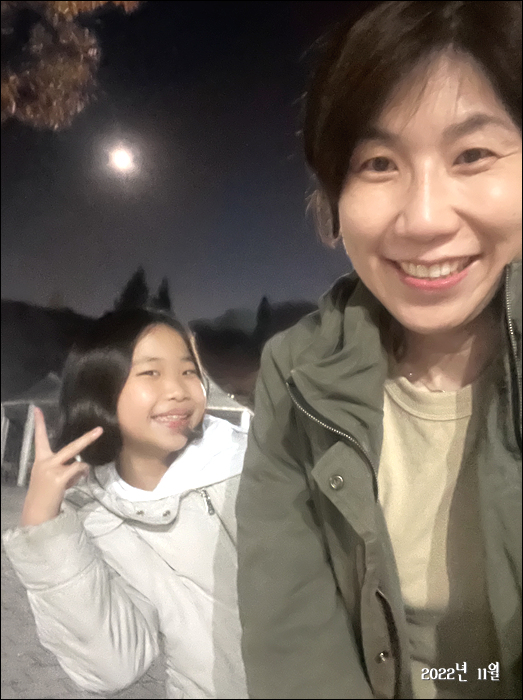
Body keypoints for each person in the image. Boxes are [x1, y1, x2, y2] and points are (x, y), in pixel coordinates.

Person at [235, 2, 521, 699]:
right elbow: (293, 642)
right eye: (378, 163)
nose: (422, 219)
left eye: (472, 155)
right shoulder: (295, 373)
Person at [2, 307, 248, 699]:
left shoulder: (255, 468)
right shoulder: (97, 517)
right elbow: (112, 667)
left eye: (188, 371)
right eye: (151, 373)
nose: (178, 389)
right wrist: (42, 527)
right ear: (100, 387)